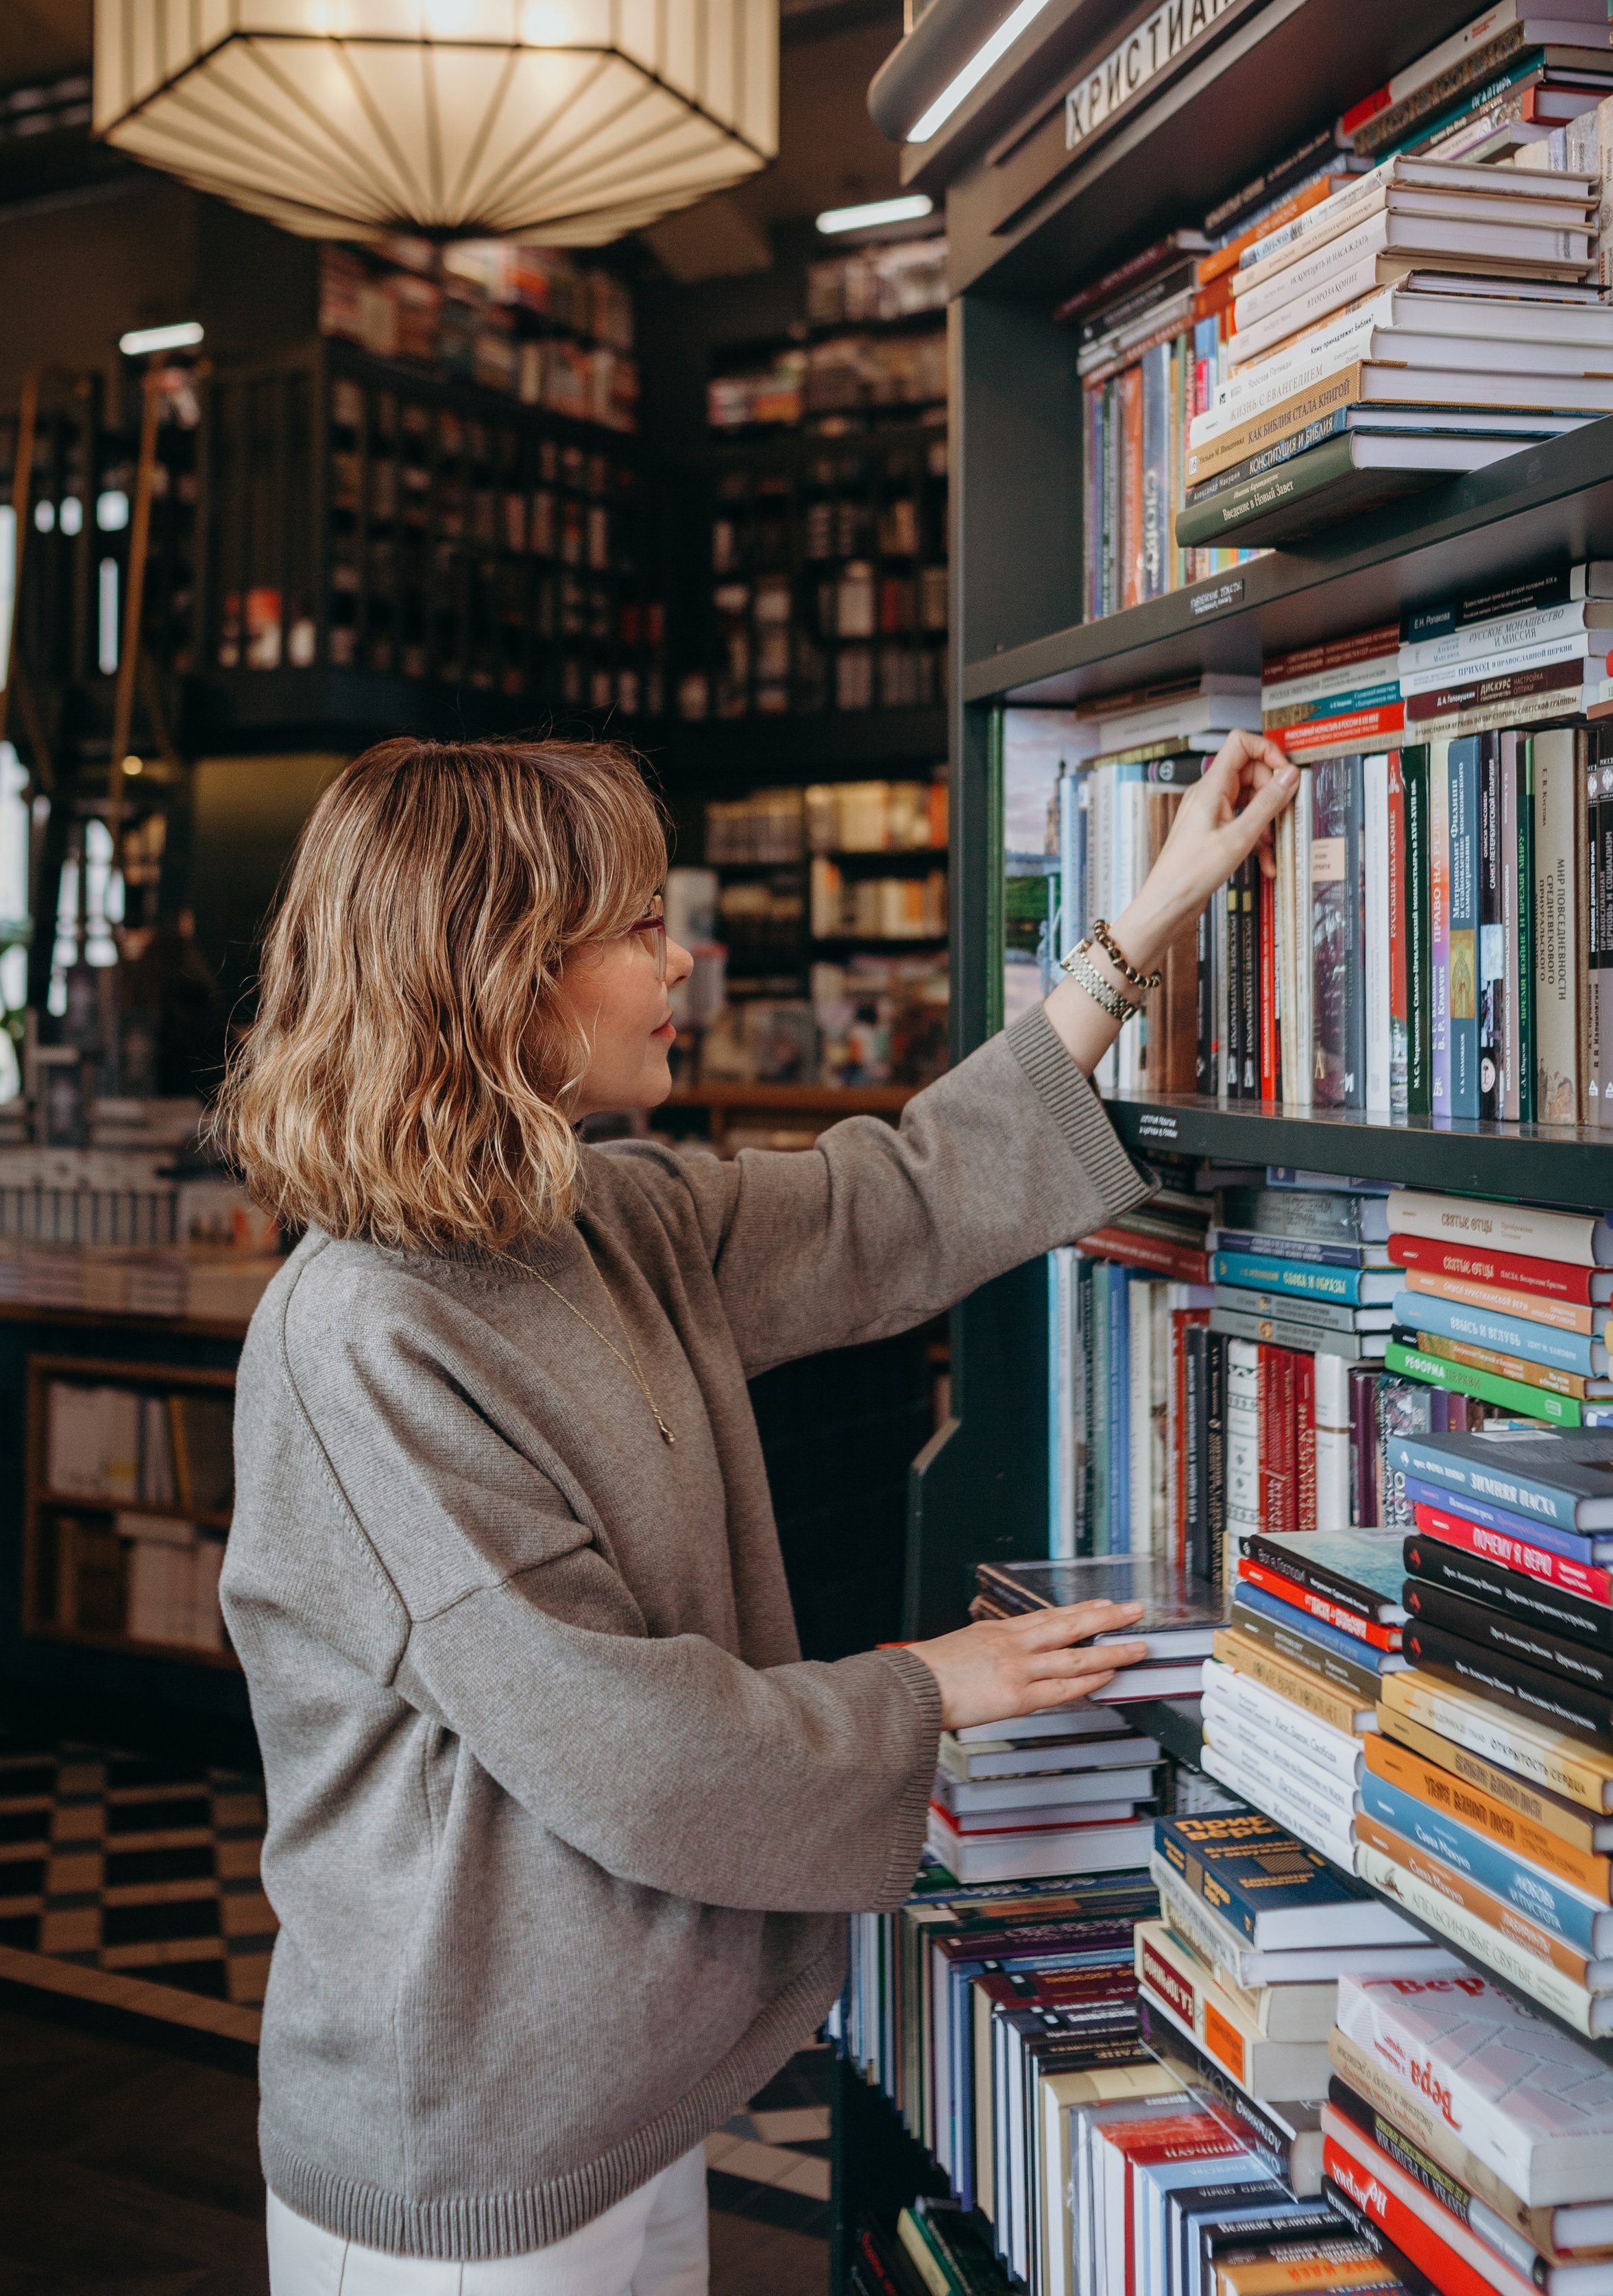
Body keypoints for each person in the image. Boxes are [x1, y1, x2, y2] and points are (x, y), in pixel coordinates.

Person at [217, 729, 1296, 2296]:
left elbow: (904, 1197)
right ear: (504, 974)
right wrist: (932, 1685)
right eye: (642, 927)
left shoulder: (607, 1220)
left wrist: (1146, 923)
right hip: (464, 2152)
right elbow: (626, 1748)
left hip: (619, 2094)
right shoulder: (362, 1340)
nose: (686, 959)